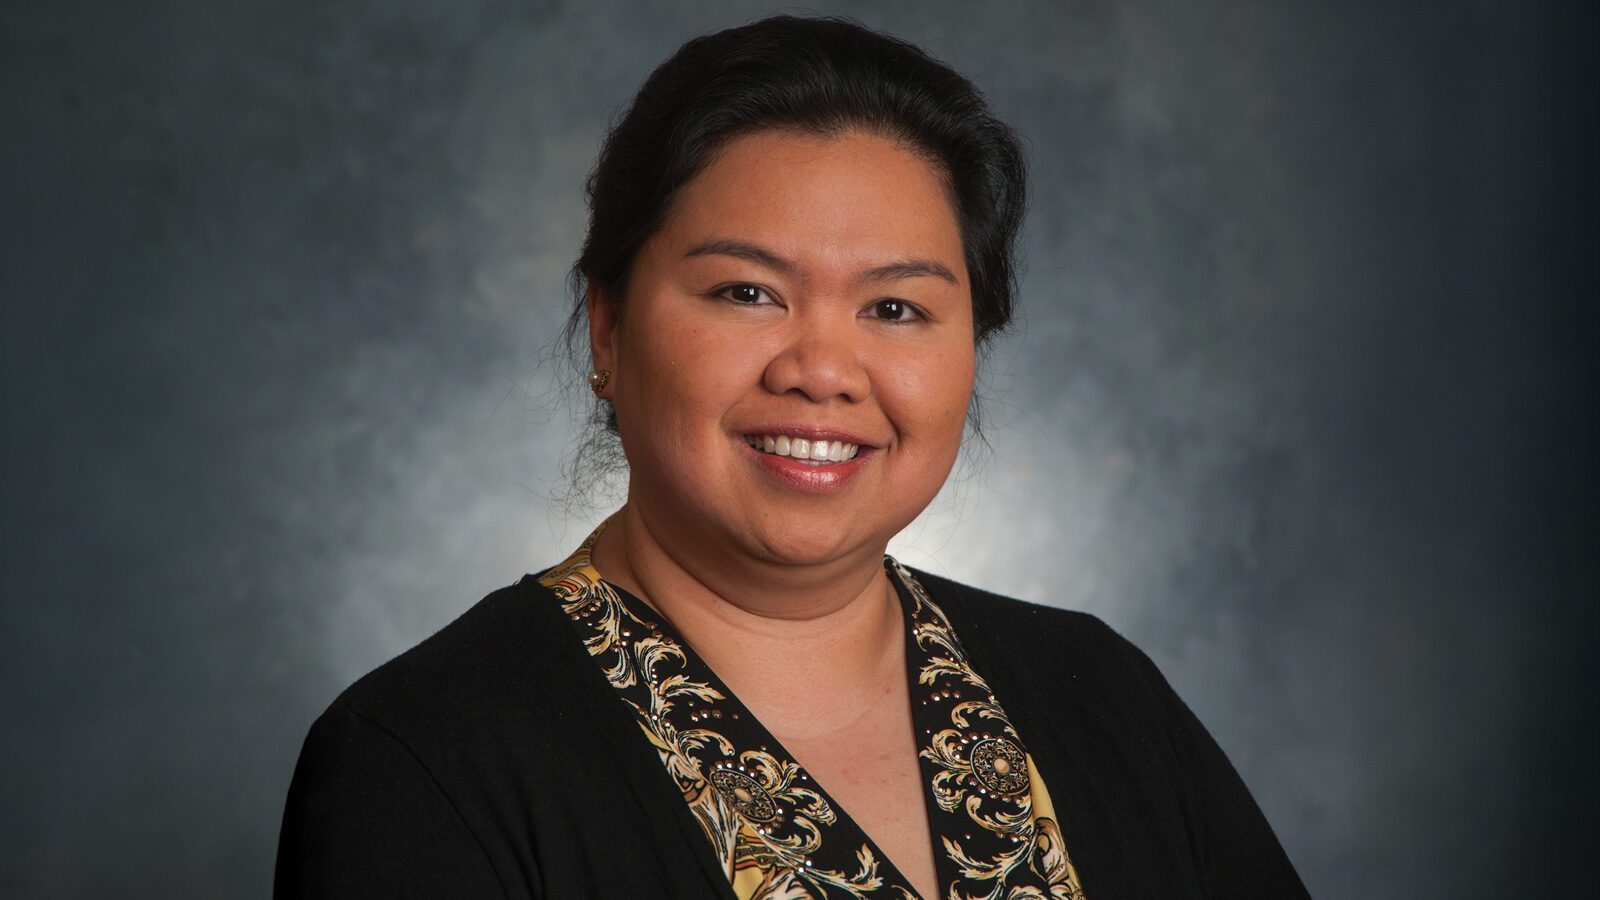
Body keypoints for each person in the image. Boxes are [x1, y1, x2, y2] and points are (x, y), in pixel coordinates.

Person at [274, 14, 1309, 899]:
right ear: (608, 330)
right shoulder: (419, 759)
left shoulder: (1098, 694)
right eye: (747, 293)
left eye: (896, 308)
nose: (823, 370)